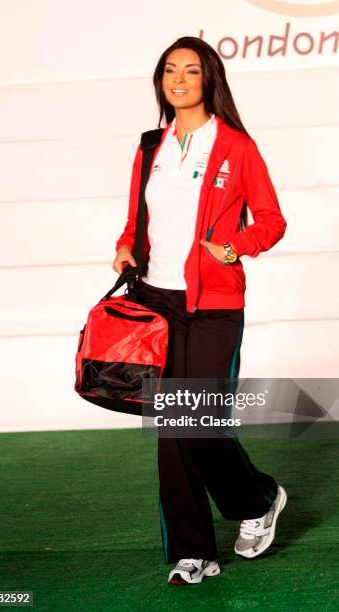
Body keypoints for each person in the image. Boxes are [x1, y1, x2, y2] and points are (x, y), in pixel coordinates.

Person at [113, 36, 288, 585]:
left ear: (210, 79)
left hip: (213, 303)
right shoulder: (149, 146)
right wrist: (125, 248)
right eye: (170, 70)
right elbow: (136, 220)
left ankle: (260, 499)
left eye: (191, 70)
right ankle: (195, 551)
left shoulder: (236, 146)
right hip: (156, 303)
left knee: (197, 424)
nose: (180, 79)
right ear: (161, 81)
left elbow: (271, 220)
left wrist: (235, 247)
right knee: (174, 430)